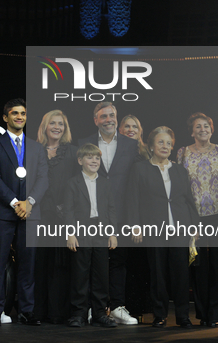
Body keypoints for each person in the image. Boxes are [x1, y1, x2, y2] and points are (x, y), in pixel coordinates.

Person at [0, 98, 48, 326]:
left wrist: (29, 202)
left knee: (28, 264)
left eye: (22, 113)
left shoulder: (36, 147)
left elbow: (43, 179)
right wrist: (15, 202)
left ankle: (26, 310)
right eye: (14, 113)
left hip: (30, 212)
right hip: (2, 211)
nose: (19, 117)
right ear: (5, 117)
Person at [128, 126, 199, 328]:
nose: (165, 146)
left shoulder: (179, 170)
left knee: (181, 275)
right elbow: (132, 199)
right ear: (151, 145)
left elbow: (188, 200)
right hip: (153, 229)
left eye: (168, 143)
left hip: (180, 229)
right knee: (158, 274)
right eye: (161, 142)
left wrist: (194, 225)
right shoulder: (140, 168)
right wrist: (135, 226)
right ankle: (160, 315)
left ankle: (183, 316)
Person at [78, 102, 139, 325]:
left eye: (112, 115)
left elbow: (138, 182)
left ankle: (117, 306)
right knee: (94, 263)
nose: (108, 119)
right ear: (96, 120)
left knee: (118, 262)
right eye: (103, 116)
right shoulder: (83, 144)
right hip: (92, 215)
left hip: (122, 214)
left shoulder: (132, 146)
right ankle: (94, 308)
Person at [176, 113, 218, 328]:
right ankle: (202, 313)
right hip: (193, 216)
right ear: (192, 131)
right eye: (198, 126)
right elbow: (179, 187)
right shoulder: (182, 153)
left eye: (206, 126)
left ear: (212, 129)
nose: (202, 129)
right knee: (198, 264)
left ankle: (216, 313)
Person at [65, 143, 118, 328]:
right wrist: (70, 233)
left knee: (101, 273)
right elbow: (69, 211)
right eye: (89, 157)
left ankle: (99, 313)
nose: (94, 160)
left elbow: (112, 209)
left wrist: (112, 233)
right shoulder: (73, 182)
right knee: (80, 273)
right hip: (81, 231)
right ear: (80, 161)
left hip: (101, 231)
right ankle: (78, 313)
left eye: (97, 157)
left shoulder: (105, 182)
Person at [34, 109, 78, 324]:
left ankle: (58, 312)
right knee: (39, 265)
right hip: (38, 215)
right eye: (53, 123)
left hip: (62, 216)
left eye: (61, 124)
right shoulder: (34, 150)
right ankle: (39, 311)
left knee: (60, 267)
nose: (57, 127)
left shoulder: (73, 152)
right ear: (45, 126)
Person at [117, 114, 151, 321]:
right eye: (127, 126)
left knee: (141, 261)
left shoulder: (147, 152)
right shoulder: (114, 151)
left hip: (144, 214)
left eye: (135, 127)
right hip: (121, 213)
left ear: (140, 131)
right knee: (122, 261)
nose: (131, 129)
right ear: (120, 129)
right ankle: (122, 305)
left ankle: (139, 307)